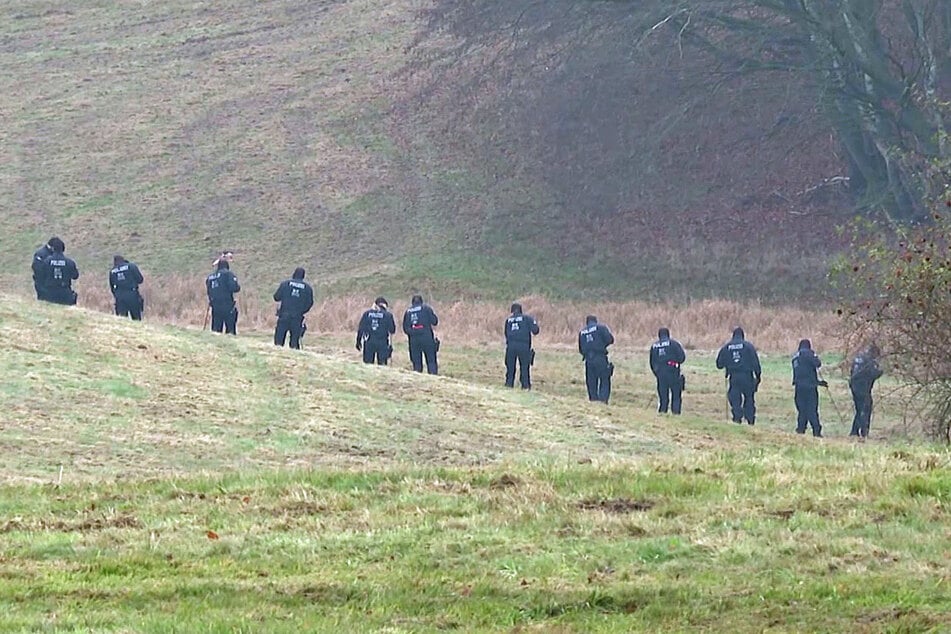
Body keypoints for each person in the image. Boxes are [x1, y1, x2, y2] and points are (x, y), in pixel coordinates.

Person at [716, 327, 762, 425]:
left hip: (734, 377)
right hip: (747, 376)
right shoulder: (748, 346)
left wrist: (728, 363)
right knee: (749, 398)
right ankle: (750, 419)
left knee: (735, 399)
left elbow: (719, 364)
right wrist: (758, 377)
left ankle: (737, 418)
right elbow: (756, 363)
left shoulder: (727, 347)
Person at [273, 267, 314, 349]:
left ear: (294, 274)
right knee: (294, 342)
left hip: (284, 315)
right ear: (303, 276)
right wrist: (302, 311)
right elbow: (309, 303)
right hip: (297, 317)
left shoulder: (285, 284)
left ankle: (278, 352)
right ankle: (294, 353)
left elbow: (276, 297)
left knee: (279, 341)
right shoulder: (307, 288)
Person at [791, 339, 825, 437]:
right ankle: (816, 431)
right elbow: (818, 363)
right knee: (812, 409)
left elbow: (803, 371)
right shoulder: (809, 353)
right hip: (810, 388)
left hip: (799, 387)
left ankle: (801, 429)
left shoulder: (795, 356)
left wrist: (819, 382)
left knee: (802, 410)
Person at [849, 344, 883, 439]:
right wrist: (881, 372)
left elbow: (852, 371)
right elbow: (873, 374)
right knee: (866, 408)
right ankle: (864, 432)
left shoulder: (858, 358)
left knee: (859, 409)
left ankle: (854, 431)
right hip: (863, 387)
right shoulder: (869, 361)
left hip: (854, 385)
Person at [578, 315, 615, 403]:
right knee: (604, 378)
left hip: (588, 359)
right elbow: (610, 339)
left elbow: (581, 349)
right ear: (596, 321)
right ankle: (603, 400)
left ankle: (593, 400)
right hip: (600, 357)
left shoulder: (582, 332)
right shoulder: (601, 327)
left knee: (591, 381)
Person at [650, 327, 686, 414]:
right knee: (676, 395)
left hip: (660, 373)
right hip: (673, 371)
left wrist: (657, 373)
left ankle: (663, 412)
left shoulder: (654, 346)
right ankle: (676, 412)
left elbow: (652, 362)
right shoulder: (674, 344)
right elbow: (682, 357)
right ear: (668, 334)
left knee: (663, 396)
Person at [504, 303, 540, 389]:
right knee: (524, 366)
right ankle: (525, 385)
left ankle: (509, 384)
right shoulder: (527, 318)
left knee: (510, 366)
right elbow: (536, 330)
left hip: (511, 345)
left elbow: (506, 333)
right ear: (521, 310)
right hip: (523, 345)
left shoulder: (508, 320)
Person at [402, 294, 439, 374]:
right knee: (431, 360)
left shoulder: (408, 312)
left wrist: (413, 331)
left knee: (416, 362)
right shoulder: (426, 308)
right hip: (427, 338)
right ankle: (433, 376)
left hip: (413, 340)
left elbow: (405, 328)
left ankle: (417, 376)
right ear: (421, 301)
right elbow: (435, 321)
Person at [39, 237, 79, 305]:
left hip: (50, 293)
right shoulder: (69, 262)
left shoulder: (46, 262)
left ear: (53, 249)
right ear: (63, 249)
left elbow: (41, 275)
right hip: (65, 292)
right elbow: (75, 276)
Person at [357, 297, 397, 365]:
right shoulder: (388, 315)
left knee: (368, 364)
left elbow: (361, 328)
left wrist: (358, 341)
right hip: (382, 342)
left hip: (369, 341)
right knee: (382, 364)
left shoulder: (367, 314)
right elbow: (392, 330)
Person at [205, 259, 241, 335]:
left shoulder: (210, 277)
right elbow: (234, 288)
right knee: (230, 330)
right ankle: (230, 339)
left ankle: (216, 340)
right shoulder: (228, 274)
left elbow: (208, 290)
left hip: (215, 306)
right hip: (227, 304)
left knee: (216, 330)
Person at [109, 255, 145, 320]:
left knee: (122, 319)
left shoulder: (112, 271)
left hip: (119, 296)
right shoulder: (131, 266)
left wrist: (116, 295)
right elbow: (140, 280)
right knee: (136, 318)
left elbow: (112, 287)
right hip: (132, 294)